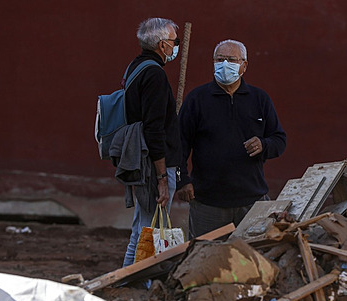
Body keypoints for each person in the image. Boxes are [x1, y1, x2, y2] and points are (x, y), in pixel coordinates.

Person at [177, 39, 287, 238]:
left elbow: (279, 140)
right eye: (220, 59)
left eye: (231, 60)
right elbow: (179, 143)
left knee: (253, 258)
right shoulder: (197, 99)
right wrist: (182, 180)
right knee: (206, 259)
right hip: (208, 202)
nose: (225, 64)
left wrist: (264, 144)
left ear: (244, 65)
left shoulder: (259, 99)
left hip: (252, 199)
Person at [121, 17, 184, 266]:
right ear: (162, 44)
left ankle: (128, 279)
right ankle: (131, 279)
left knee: (143, 226)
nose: (176, 46)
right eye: (174, 41)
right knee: (148, 230)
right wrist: (161, 178)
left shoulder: (135, 68)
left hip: (141, 159)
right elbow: (154, 129)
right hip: (153, 164)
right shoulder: (155, 75)